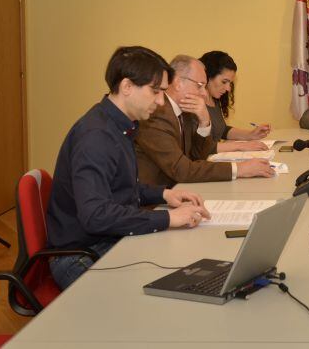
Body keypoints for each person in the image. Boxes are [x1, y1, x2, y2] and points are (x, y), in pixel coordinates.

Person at [46, 46, 211, 290]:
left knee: (182, 264)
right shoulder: (96, 137)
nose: (159, 101)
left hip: (105, 241)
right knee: (166, 290)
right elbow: (96, 215)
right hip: (80, 255)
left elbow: (120, 187)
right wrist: (166, 217)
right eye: (155, 91)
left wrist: (164, 194)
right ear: (126, 87)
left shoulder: (118, 125)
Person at [136, 55, 275, 187]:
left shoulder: (184, 111)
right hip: (156, 200)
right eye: (200, 85)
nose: (203, 93)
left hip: (177, 189)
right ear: (178, 83)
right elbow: (182, 170)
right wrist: (239, 169)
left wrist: (204, 122)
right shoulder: (156, 114)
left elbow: (198, 156)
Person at [199, 50, 270, 152]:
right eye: (224, 82)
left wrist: (250, 135)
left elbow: (221, 130)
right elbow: (199, 148)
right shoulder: (194, 104)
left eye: (230, 83)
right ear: (207, 76)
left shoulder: (215, 98)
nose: (228, 88)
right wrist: (240, 146)